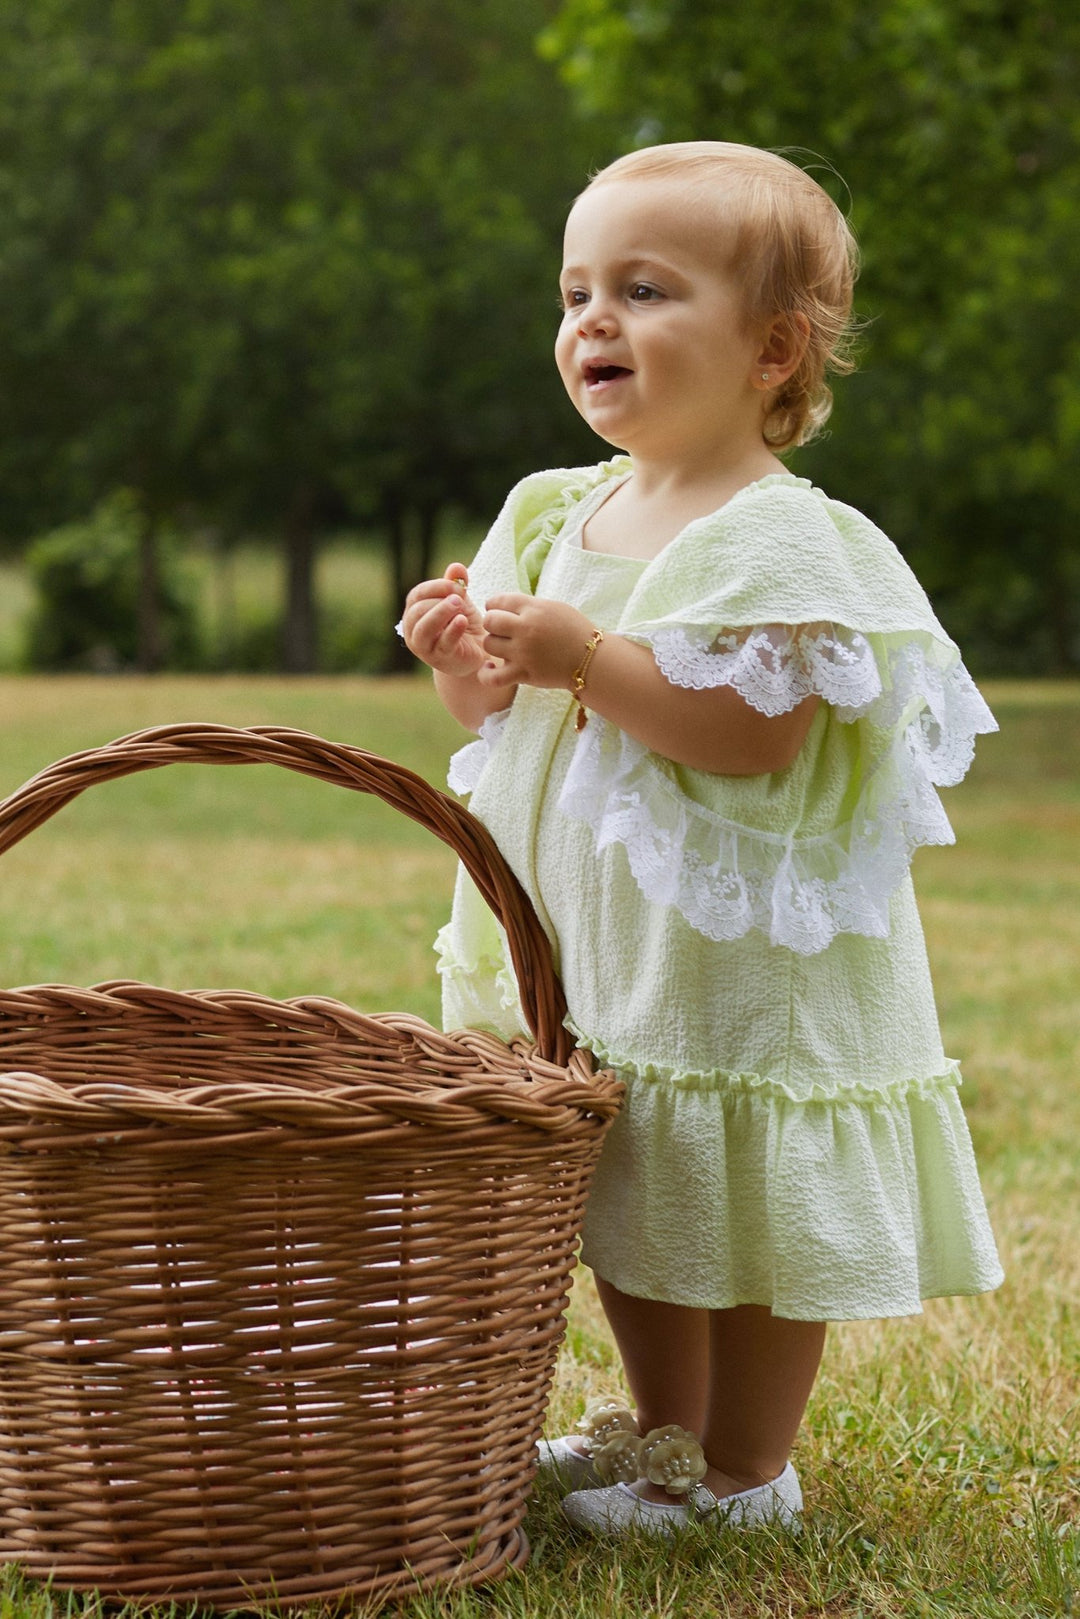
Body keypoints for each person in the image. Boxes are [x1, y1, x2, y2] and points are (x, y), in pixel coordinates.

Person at [398, 141, 1003, 1538]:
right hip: (597, 948)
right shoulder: (556, 511)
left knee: (744, 1209)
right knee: (632, 1191)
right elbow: (492, 704)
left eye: (646, 289)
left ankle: (747, 1469)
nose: (593, 322)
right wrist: (464, 656)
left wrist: (584, 651)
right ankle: (661, 1446)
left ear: (771, 347)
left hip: (738, 968)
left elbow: (754, 732)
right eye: (577, 292)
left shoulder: (783, 539)